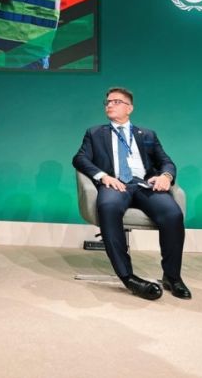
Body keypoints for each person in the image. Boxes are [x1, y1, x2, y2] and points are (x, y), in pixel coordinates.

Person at [72, 88, 191, 301]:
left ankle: (172, 277)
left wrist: (165, 176)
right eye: (107, 102)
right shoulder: (95, 133)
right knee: (108, 207)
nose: (109, 105)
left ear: (129, 108)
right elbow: (80, 159)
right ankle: (128, 277)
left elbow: (166, 161)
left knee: (172, 214)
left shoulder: (147, 134)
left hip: (144, 184)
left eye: (116, 101)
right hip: (115, 184)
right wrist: (103, 177)